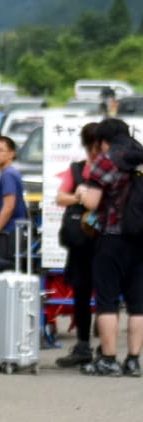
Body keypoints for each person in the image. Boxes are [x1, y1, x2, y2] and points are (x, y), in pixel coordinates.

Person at [78, 118, 143, 376]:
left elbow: (92, 203)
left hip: (113, 237)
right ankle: (133, 360)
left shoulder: (107, 161)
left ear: (104, 140)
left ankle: (108, 359)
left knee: (107, 299)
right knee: (138, 303)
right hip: (141, 239)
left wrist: (82, 193)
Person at [55, 123, 101, 368]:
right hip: (81, 242)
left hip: (105, 241)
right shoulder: (77, 169)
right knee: (81, 294)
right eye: (91, 145)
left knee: (106, 296)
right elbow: (60, 197)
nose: (94, 151)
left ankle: (105, 347)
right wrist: (78, 196)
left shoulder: (113, 170)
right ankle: (83, 345)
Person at [0, 135, 28, 261]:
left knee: (2, 268)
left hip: (8, 233)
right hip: (12, 232)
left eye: (0, 150)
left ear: (11, 154)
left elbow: (8, 207)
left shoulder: (8, 175)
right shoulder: (11, 173)